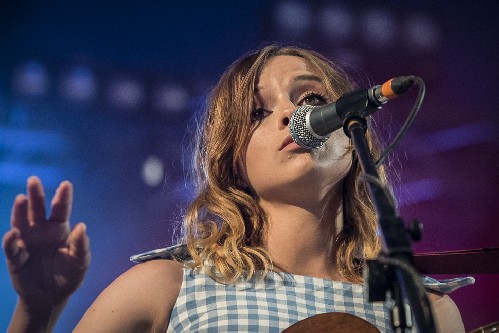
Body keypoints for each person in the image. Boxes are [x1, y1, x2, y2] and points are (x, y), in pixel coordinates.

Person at [3, 45, 471, 332]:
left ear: (353, 140)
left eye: (311, 99)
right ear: (233, 163)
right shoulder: (166, 288)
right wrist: (38, 313)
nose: (292, 115)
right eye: (256, 112)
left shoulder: (427, 308)